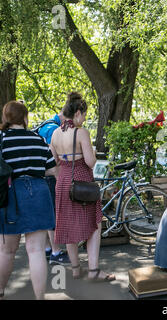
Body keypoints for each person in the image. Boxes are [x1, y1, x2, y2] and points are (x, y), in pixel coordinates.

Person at [50, 92, 115, 282]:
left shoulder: (54, 133)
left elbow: (54, 161)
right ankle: (94, 271)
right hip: (81, 182)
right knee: (94, 225)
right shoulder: (81, 133)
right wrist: (92, 151)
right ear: (78, 113)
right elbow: (91, 161)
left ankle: (76, 269)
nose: (85, 118)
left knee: (69, 225)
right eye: (85, 114)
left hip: (62, 183)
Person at [0, 101, 57, 300]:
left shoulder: (1, 139)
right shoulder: (38, 138)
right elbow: (51, 169)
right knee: (36, 251)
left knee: (7, 251)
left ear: (6, 118)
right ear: (25, 118)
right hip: (39, 192)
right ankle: (40, 297)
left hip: (10, 195)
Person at [35, 111, 70, 265]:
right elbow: (53, 158)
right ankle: (56, 252)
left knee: (44, 213)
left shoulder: (45, 124)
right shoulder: (53, 129)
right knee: (52, 214)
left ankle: (48, 249)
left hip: (38, 176)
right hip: (48, 176)